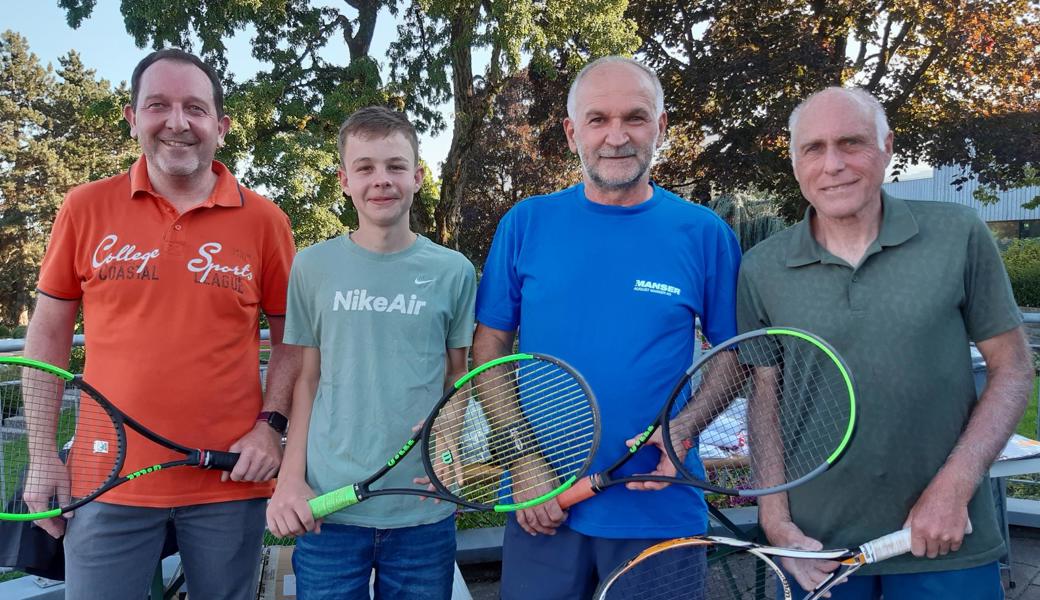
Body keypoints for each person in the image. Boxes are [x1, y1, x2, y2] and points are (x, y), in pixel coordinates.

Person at [737, 86, 1034, 599]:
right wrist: (776, 523)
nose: (833, 165)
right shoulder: (762, 267)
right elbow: (765, 398)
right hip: (816, 551)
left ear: (887, 147)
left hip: (946, 541)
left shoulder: (957, 233)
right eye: (813, 148)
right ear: (794, 161)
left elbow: (1012, 367)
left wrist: (954, 488)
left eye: (851, 143)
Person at [21, 48, 298, 599]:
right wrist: (41, 456)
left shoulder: (266, 221)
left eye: (194, 108)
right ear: (132, 118)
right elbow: (48, 334)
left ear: (220, 125)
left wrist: (271, 426)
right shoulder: (84, 207)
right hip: (105, 478)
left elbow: (293, 337)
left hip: (229, 479)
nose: (178, 123)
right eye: (159, 106)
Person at [473, 56, 742, 598]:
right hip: (542, 507)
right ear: (573, 132)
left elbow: (733, 356)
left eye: (635, 118)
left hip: (660, 509)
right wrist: (523, 460)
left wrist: (683, 428)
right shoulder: (525, 224)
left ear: (661, 127)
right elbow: (490, 349)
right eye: (597, 119)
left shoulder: (703, 233)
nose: (615, 137)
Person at [265, 106, 476, 600]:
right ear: (344, 180)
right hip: (330, 507)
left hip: (423, 505)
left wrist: (449, 439)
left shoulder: (454, 271)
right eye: (365, 168)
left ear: (418, 177)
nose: (381, 180)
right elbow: (307, 379)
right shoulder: (313, 267)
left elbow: (457, 376)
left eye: (395, 166)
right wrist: (290, 479)